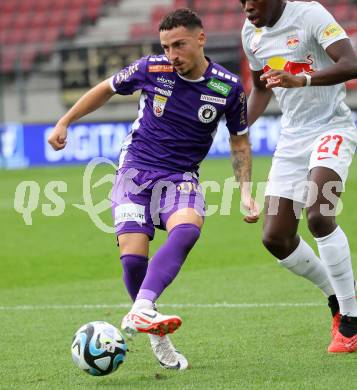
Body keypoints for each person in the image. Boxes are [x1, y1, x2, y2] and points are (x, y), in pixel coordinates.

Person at [48, 8, 259, 369]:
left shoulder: (228, 87)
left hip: (180, 176)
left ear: (200, 39)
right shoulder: (152, 68)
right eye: (166, 46)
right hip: (135, 172)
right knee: (132, 259)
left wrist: (244, 192)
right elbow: (106, 88)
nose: (172, 55)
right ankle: (157, 336)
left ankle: (142, 307)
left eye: (179, 45)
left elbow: (239, 142)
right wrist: (65, 121)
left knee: (188, 228)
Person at [240, 0, 357, 353]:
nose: (246, 8)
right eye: (240, 1)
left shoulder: (309, 15)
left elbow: (351, 63)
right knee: (275, 237)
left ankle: (351, 321)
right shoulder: (252, 34)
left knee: (319, 215)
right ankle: (337, 298)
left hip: (331, 126)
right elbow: (261, 87)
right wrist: (239, 126)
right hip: (292, 137)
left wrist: (302, 79)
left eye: (252, 0)